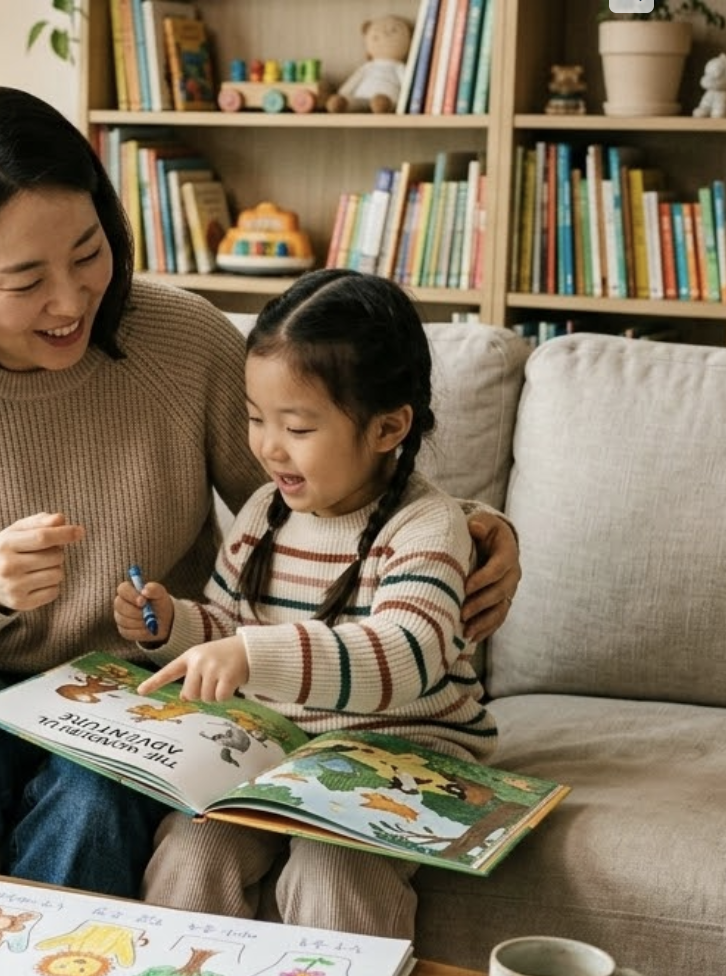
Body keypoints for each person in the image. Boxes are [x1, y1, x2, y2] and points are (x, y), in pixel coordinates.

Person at [0, 86, 520, 898]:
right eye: (26, 281)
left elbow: (316, 484)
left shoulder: (180, 340)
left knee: (97, 794)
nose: (70, 300)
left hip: (132, 683)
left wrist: (467, 525)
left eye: (88, 253)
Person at [117, 267, 488, 937]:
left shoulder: (429, 527)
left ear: (387, 427)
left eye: (297, 427)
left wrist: (249, 653)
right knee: (192, 854)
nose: (267, 446)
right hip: (280, 754)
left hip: (402, 754)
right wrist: (173, 625)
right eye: (256, 419)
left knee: (333, 872)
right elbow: (230, 622)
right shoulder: (266, 511)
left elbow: (404, 656)